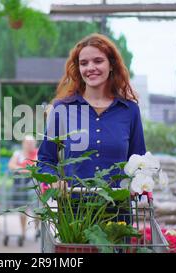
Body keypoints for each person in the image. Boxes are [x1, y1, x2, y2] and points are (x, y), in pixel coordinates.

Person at [37, 33, 146, 214]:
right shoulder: (61, 109)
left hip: (118, 214)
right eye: (84, 63)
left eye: (98, 61)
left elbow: (139, 160)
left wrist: (137, 185)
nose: (90, 68)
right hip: (74, 217)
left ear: (111, 65)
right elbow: (46, 159)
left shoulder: (129, 111)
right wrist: (54, 180)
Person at [8, 134, 38, 241]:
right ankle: (23, 232)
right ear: (23, 143)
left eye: (31, 143)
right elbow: (11, 165)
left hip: (33, 184)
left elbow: (35, 167)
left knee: (37, 209)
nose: (29, 145)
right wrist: (24, 170)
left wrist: (20, 169)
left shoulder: (37, 154)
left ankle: (37, 230)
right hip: (19, 184)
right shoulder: (18, 154)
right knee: (22, 209)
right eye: (27, 142)